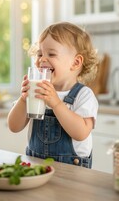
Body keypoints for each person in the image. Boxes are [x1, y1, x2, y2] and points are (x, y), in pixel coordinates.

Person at [7, 21, 99, 168]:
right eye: (39, 54)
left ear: (75, 62)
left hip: (72, 174)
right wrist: (23, 100)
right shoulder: (37, 89)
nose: (42, 59)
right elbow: (14, 126)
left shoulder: (84, 95)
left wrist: (56, 103)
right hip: (37, 168)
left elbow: (81, 133)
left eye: (51, 54)